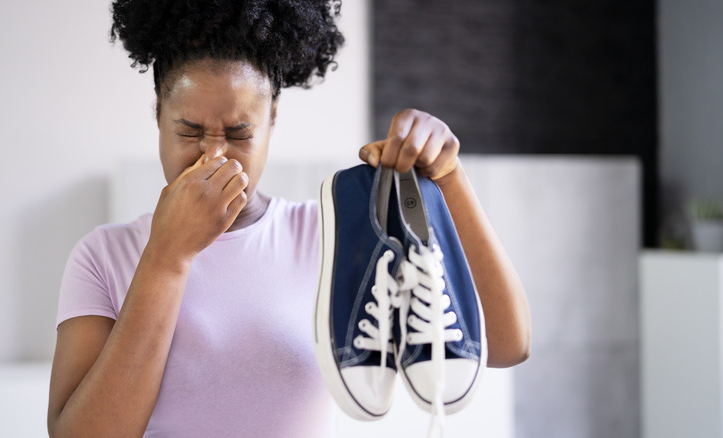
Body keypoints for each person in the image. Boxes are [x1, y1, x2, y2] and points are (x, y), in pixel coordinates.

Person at [47, 1, 531, 437]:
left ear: (272, 119)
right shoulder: (103, 256)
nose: (212, 155)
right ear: (158, 114)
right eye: (189, 130)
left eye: (238, 133)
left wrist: (448, 177)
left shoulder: (331, 234)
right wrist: (167, 256)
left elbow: (508, 343)